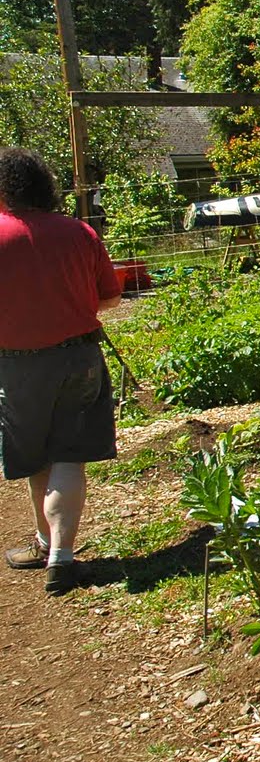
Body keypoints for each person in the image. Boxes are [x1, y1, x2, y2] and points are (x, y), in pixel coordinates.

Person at [0, 147, 122, 596]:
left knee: (36, 458)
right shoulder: (80, 233)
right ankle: (60, 556)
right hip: (78, 357)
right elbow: (109, 299)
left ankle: (42, 541)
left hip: (14, 367)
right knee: (69, 455)